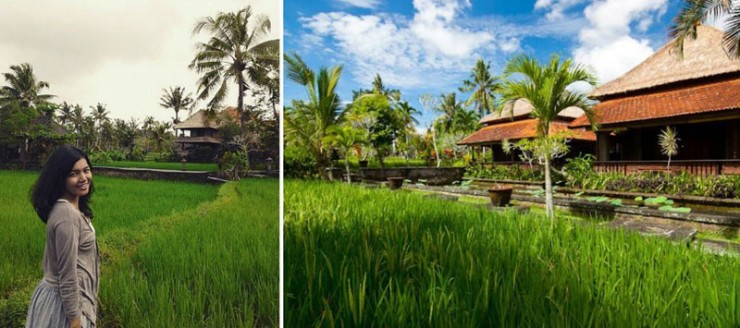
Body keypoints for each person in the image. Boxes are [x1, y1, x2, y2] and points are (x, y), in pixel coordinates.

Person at [26, 145, 99, 328]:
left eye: (86, 170)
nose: (83, 178)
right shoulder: (67, 215)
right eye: (74, 173)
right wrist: (75, 321)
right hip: (64, 308)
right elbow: (67, 275)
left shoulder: (71, 208)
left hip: (65, 300)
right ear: (60, 179)